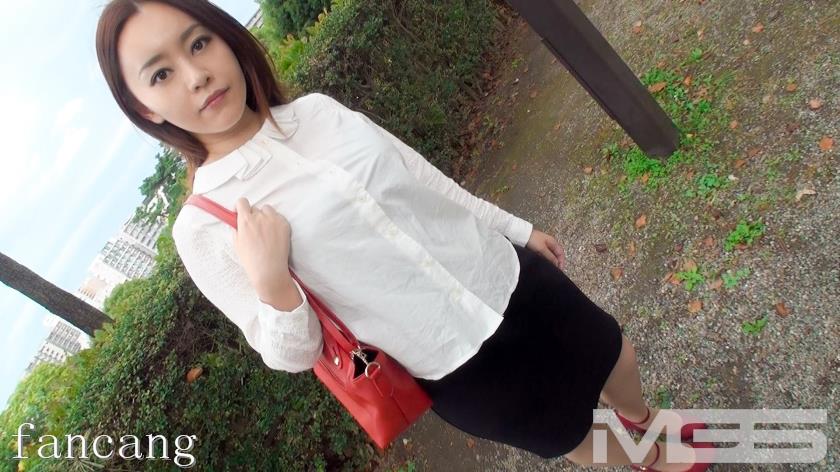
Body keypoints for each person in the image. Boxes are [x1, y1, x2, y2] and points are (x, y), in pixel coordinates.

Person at [95, 1, 715, 470]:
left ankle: (643, 417)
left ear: (226, 40)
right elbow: (290, 354)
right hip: (448, 359)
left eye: (199, 43)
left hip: (500, 272)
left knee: (612, 350)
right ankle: (649, 461)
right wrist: (271, 283)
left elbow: (422, 178)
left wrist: (516, 229)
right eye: (161, 74)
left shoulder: (316, 113)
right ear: (145, 108)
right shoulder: (204, 224)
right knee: (568, 431)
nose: (196, 75)